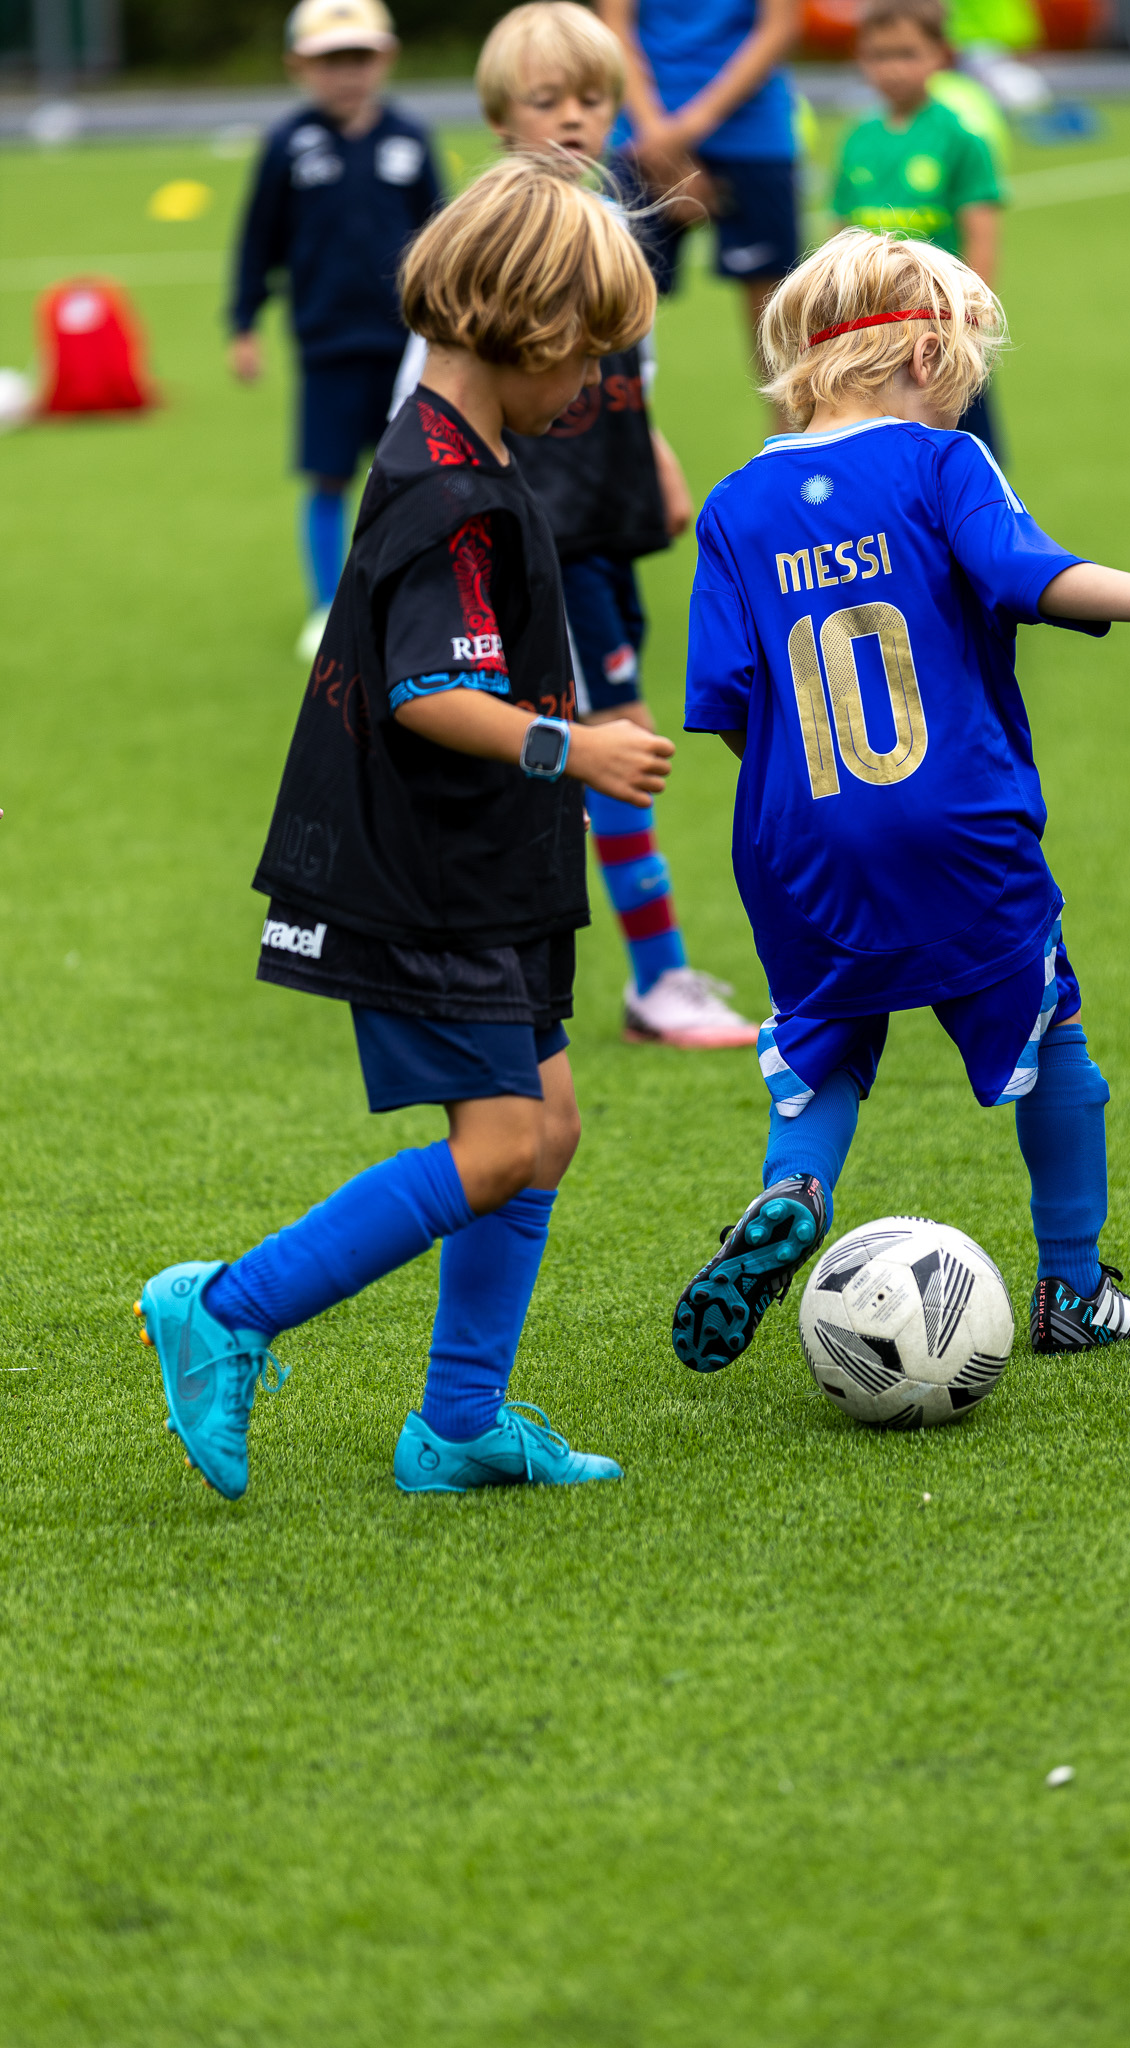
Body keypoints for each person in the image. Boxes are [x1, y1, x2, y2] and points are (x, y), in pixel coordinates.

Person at [138, 158, 675, 1502]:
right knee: (498, 1146)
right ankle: (228, 1308)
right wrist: (577, 746)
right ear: (536, 333)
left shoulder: (463, 454)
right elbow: (435, 694)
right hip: (425, 878)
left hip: (485, 867)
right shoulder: (445, 497)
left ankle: (460, 1422)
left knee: (542, 1128)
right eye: (589, 366)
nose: (587, 396)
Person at [671, 229, 1130, 1371]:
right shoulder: (942, 461)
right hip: (957, 820)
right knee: (1059, 1036)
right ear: (924, 352)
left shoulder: (735, 504)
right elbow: (1031, 577)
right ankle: (1071, 1287)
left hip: (796, 836)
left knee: (824, 1043)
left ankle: (796, 1191)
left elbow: (724, 701)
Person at [391, 2, 760, 1049]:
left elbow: (625, 356)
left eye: (593, 98)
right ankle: (657, 977)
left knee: (607, 743)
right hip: (528, 545)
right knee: (606, 744)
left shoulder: (610, 213)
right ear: (501, 117)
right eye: (547, 100)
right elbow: (427, 380)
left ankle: (646, 973)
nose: (573, 118)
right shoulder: (488, 244)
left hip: (600, 524)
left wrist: (658, 453)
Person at [228, 0, 445, 662]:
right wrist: (243, 323)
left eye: (357, 57)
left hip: (406, 347)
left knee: (411, 476)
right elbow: (256, 239)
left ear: (385, 58)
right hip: (325, 347)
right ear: (299, 66)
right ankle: (328, 606)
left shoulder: (410, 138)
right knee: (327, 478)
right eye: (329, 60)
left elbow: (441, 239)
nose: (345, 73)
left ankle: (414, 595)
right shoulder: (287, 145)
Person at [832, 0, 1005, 455]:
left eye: (907, 54)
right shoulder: (856, 139)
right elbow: (840, 241)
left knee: (963, 456)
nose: (892, 69)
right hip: (869, 338)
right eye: (878, 55)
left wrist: (967, 328)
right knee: (882, 461)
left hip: (941, 333)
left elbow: (981, 245)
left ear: (940, 55)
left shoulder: (961, 137)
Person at [596, 0, 801, 361]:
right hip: (642, 136)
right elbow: (614, 25)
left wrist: (680, 135)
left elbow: (778, 27)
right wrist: (658, 138)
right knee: (606, 310)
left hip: (751, 135)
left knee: (779, 326)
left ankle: (795, 421)